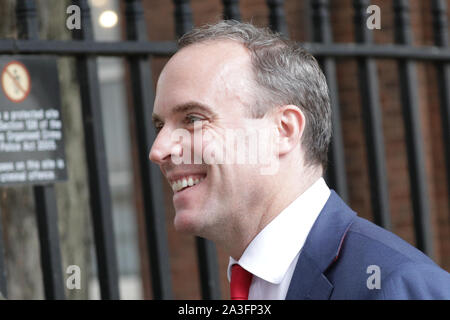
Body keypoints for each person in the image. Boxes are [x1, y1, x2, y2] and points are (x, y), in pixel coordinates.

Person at [149, 20, 450, 299]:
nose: (158, 150)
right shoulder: (251, 282)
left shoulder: (397, 286)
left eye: (192, 118)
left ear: (283, 130)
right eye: (160, 126)